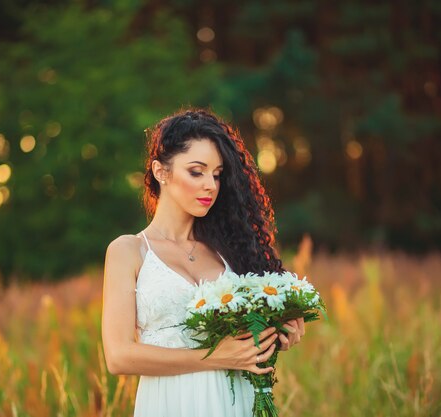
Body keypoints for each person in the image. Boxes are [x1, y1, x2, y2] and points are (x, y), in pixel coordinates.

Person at [101, 108, 306, 416]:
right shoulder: (128, 251)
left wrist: (280, 330)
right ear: (161, 171)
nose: (210, 184)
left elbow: (251, 335)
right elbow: (119, 356)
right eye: (196, 172)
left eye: (217, 174)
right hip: (169, 403)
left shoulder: (231, 250)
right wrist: (216, 357)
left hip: (233, 399)